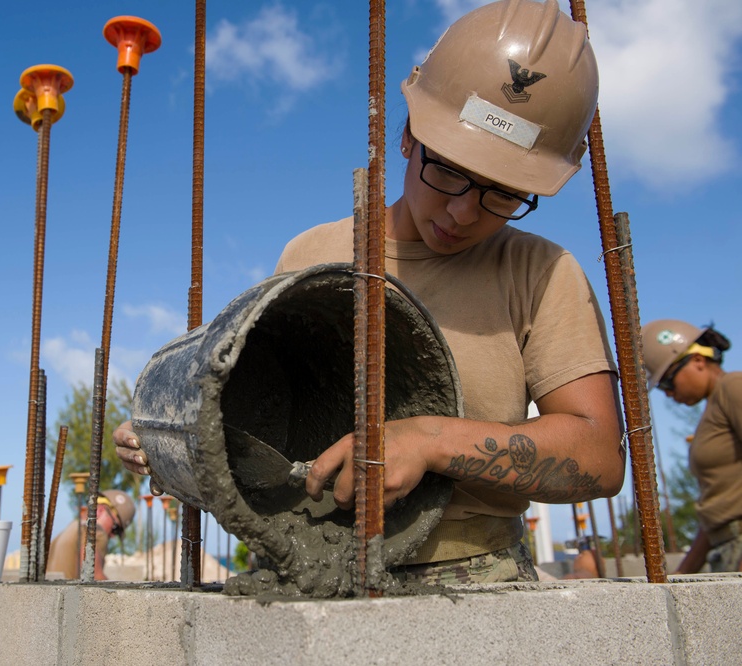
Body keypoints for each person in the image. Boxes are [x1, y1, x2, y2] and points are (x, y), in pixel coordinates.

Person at [116, 0, 624, 584]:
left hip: (469, 578)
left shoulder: (538, 272)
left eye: (503, 193)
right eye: (448, 170)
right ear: (408, 136)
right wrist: (173, 436)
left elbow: (600, 455)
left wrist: (430, 440)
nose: (463, 212)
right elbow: (245, 420)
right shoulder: (312, 256)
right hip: (301, 567)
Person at [641, 320, 739, 574]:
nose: (668, 393)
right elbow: (715, 513)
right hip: (726, 546)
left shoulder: (733, 387)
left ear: (697, 360)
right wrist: (682, 576)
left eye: (668, 382)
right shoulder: (714, 407)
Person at [45, 489, 135, 580]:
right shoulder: (96, 531)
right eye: (115, 529)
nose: (113, 536)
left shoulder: (68, 529)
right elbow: (94, 576)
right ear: (100, 511)